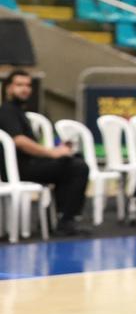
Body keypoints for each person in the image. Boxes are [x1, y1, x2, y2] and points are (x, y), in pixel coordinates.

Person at [0, 70, 90, 236]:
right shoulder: (6, 110)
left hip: (30, 164)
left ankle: (56, 218)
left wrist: (59, 151)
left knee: (72, 160)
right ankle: (65, 220)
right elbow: (19, 141)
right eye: (19, 85)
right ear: (8, 88)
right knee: (77, 167)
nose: (25, 89)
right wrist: (52, 153)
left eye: (28, 85)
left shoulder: (19, 110)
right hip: (18, 169)